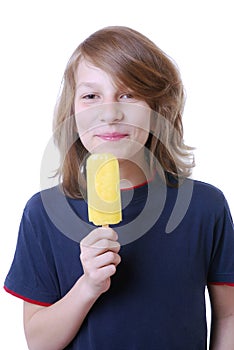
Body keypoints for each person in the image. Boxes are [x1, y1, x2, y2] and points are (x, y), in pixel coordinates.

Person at [4, 26, 234, 350]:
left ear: (158, 108)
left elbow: (228, 316)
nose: (110, 113)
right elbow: (39, 342)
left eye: (128, 94)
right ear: (72, 111)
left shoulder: (205, 207)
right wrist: (88, 286)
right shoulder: (43, 213)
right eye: (91, 96)